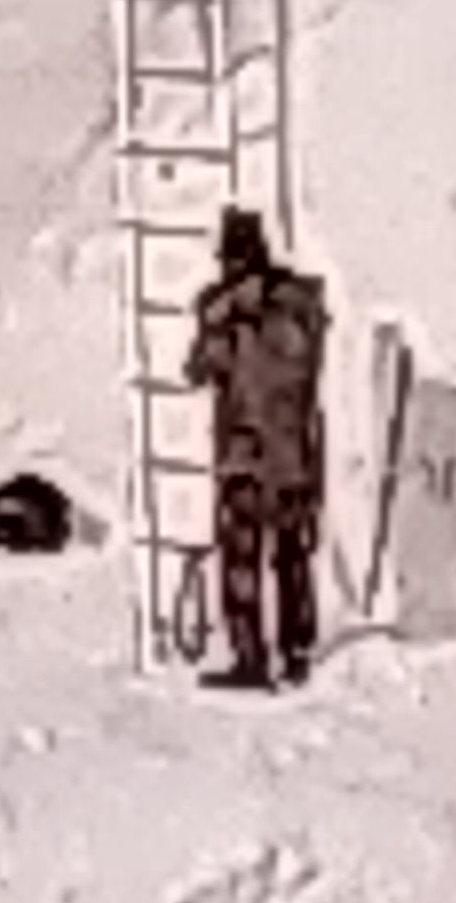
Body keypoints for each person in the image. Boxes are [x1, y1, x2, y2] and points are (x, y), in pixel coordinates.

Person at [184, 204, 328, 689]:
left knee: (242, 561)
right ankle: (297, 654)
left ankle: (251, 659)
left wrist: (219, 315)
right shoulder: (300, 307)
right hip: (294, 455)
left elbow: (199, 369)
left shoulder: (228, 316)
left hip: (247, 455)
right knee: (292, 559)